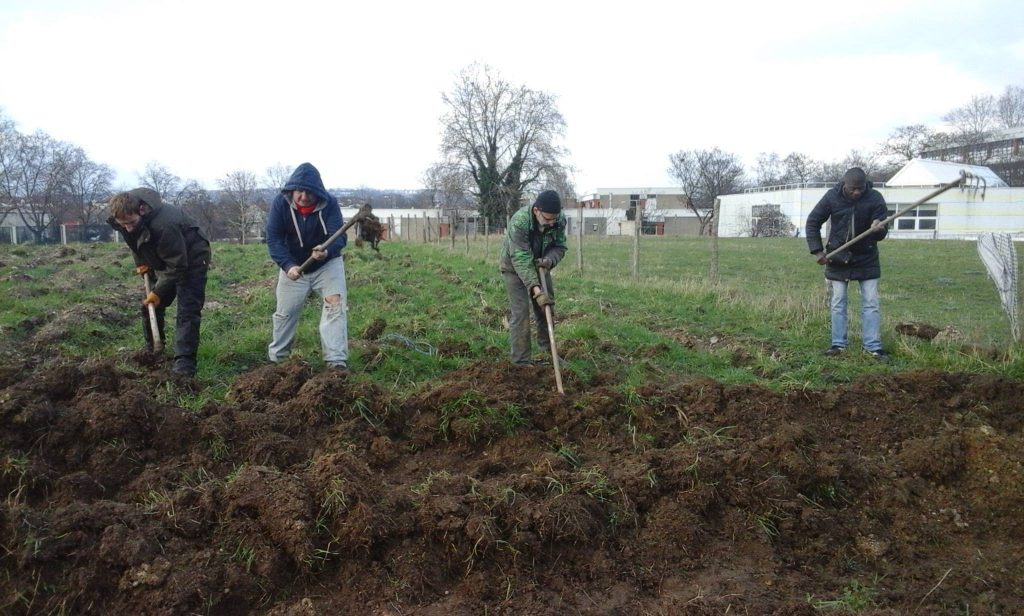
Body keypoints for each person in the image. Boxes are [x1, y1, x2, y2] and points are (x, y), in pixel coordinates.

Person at [108, 188, 211, 377]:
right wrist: (142, 264)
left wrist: (159, 291)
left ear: (141, 210)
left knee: (187, 310)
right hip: (167, 257)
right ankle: (154, 350)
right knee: (149, 305)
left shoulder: (164, 224)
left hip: (193, 257)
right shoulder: (125, 221)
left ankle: (184, 365)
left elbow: (178, 266)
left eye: (131, 223)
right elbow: (135, 242)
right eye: (123, 225)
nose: (128, 228)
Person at [266, 162, 349, 371]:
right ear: (292, 190)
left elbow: (338, 236)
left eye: (309, 192)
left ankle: (336, 362)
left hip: (327, 264)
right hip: (294, 266)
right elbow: (274, 239)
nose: (304, 196)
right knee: (285, 313)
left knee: (335, 306)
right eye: (300, 191)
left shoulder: (329, 203)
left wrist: (326, 251)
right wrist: (288, 265)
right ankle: (278, 360)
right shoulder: (280, 204)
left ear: (317, 192)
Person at [805, 167, 889, 359]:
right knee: (838, 302)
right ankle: (838, 345)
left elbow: (884, 230)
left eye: (860, 188)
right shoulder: (831, 197)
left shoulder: (875, 197)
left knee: (871, 303)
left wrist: (878, 227)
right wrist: (817, 251)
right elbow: (813, 222)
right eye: (853, 189)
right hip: (838, 256)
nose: (857, 192)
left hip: (866, 257)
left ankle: (873, 347)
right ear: (845, 185)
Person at [499, 189, 568, 366]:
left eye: (554, 219)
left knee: (546, 308)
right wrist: (536, 290)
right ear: (536, 211)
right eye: (547, 219)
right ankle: (521, 361)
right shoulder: (520, 221)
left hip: (540, 266)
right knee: (521, 312)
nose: (551, 223)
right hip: (514, 267)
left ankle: (548, 353)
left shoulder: (559, 220)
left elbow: (560, 247)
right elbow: (520, 258)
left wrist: (548, 261)